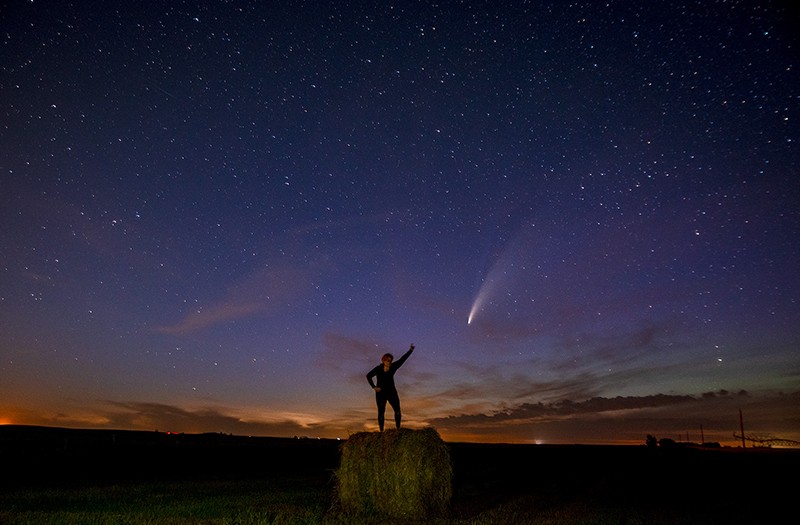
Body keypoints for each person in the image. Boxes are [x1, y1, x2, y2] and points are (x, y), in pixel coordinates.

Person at [366, 343, 415, 431]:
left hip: (392, 392)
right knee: (381, 412)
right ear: (383, 360)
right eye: (387, 360)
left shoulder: (393, 367)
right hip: (381, 393)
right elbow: (368, 376)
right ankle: (381, 432)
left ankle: (398, 430)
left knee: (397, 410)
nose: (389, 362)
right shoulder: (378, 369)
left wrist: (410, 351)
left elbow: (402, 360)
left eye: (390, 360)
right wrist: (374, 387)